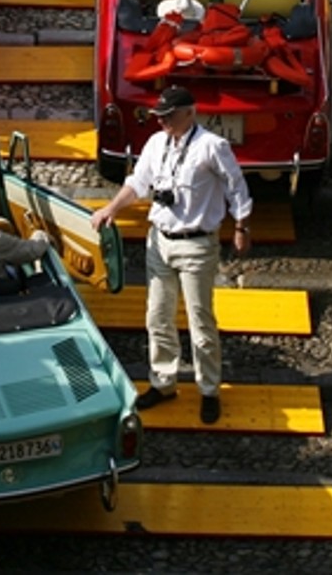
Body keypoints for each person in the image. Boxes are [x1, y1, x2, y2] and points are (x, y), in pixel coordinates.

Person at [90, 84, 252, 426]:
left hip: (196, 244)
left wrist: (242, 226)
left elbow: (236, 186)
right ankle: (163, 382)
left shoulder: (212, 146)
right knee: (157, 316)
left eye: (168, 116)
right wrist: (112, 208)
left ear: (190, 113)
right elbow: (138, 182)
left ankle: (209, 389)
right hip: (159, 240)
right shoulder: (155, 143)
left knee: (200, 322)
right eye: (159, 116)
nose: (162, 122)